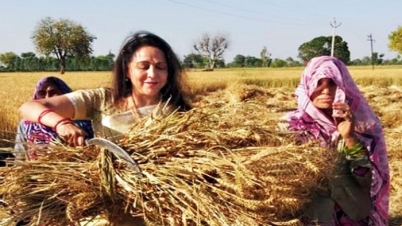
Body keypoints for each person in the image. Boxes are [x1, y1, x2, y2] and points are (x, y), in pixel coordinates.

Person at [18, 30, 191, 146]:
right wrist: (61, 124)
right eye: (143, 66)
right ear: (127, 70)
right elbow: (28, 107)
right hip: (108, 190)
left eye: (161, 67)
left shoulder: (180, 113)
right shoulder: (101, 99)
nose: (153, 74)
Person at [283, 56, 389, 225]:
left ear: (342, 86)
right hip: (310, 217)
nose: (325, 91)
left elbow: (368, 178)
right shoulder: (290, 127)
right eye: (319, 83)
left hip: (351, 215)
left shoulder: (364, 125)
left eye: (332, 83)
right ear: (308, 84)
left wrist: (349, 137)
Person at [14, 76, 94, 160]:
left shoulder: (83, 121)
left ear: (64, 94)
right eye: (41, 93)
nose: (47, 97)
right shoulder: (26, 124)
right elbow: (20, 158)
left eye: (53, 92)